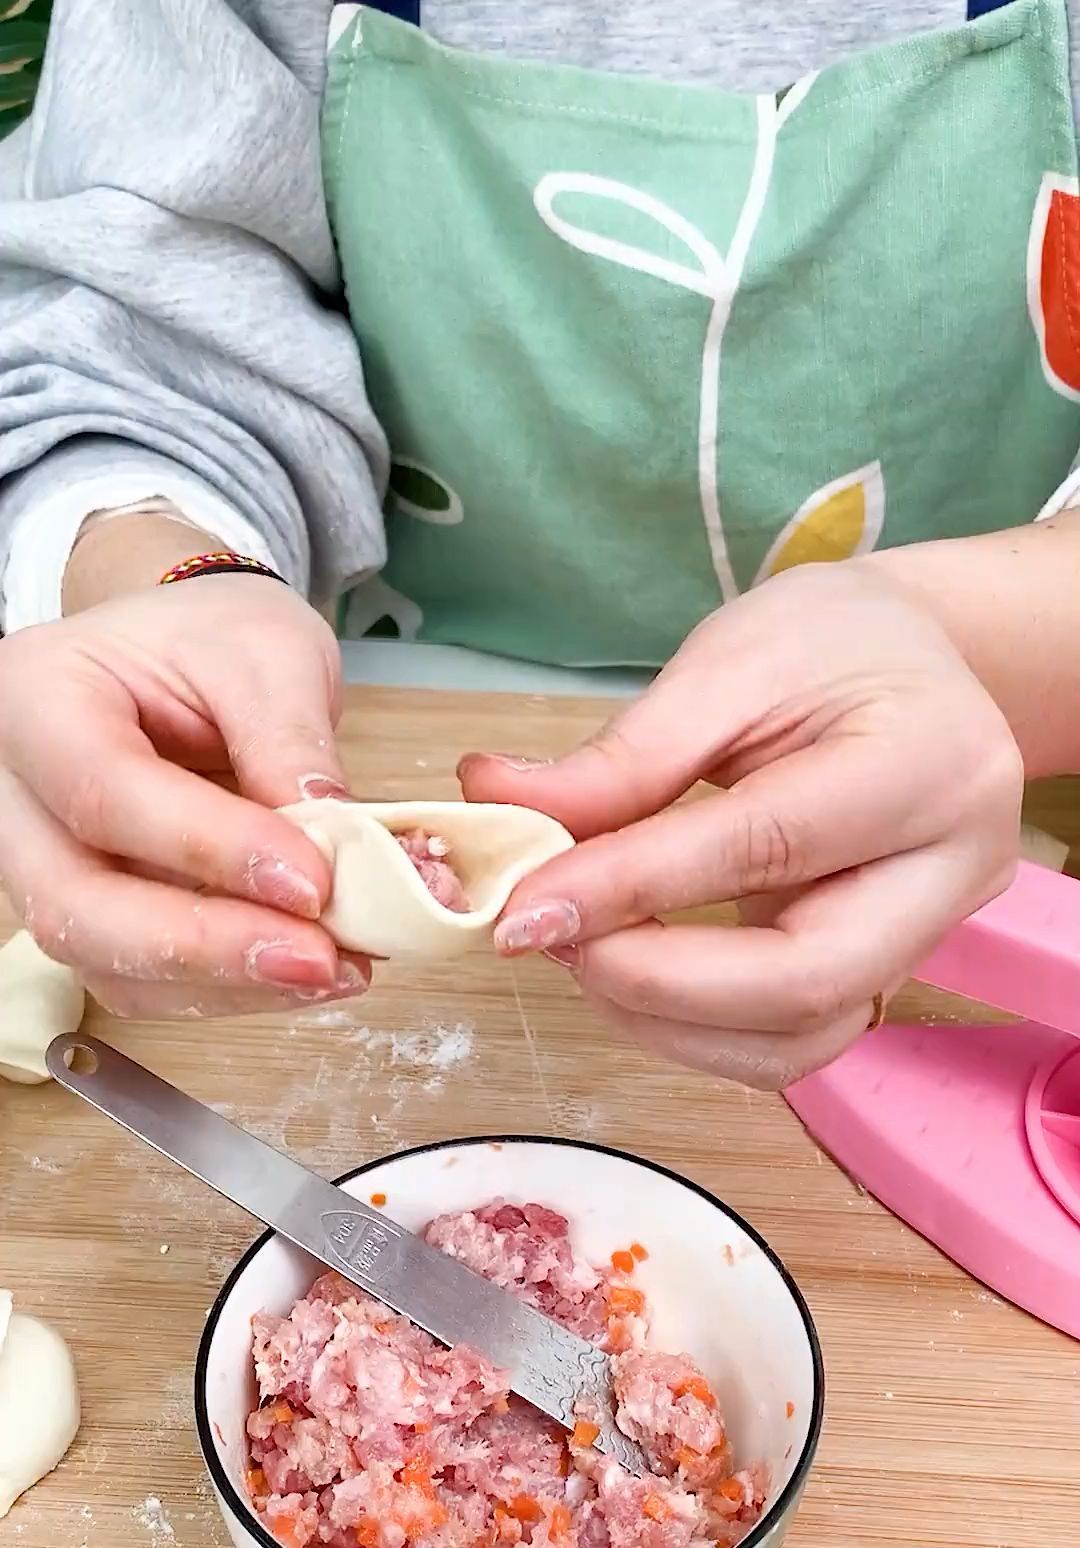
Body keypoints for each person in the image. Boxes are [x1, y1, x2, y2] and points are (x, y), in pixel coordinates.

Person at [1, 0, 1078, 1089]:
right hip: (395, 674)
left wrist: (975, 637)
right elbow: (126, 329)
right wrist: (171, 573)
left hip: (993, 781)